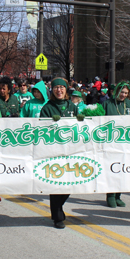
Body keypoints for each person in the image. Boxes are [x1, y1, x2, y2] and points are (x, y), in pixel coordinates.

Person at [40, 77, 78, 228]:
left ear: (66, 89)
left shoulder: (71, 106)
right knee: (57, 183)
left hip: (71, 150)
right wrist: (50, 123)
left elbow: (79, 125)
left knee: (70, 183)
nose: (59, 90)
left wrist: (82, 120)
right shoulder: (47, 108)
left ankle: (59, 209)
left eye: (62, 87)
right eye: (56, 88)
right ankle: (57, 217)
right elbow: (41, 128)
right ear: (52, 90)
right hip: (54, 150)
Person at [102, 81, 130, 208]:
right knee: (112, 169)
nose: (123, 95)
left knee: (122, 169)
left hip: (125, 143)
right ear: (117, 91)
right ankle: (110, 195)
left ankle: (118, 195)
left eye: (126, 93)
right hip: (111, 142)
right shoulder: (107, 104)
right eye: (122, 92)